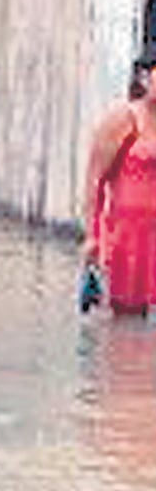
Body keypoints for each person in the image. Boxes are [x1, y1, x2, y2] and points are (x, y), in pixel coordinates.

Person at [81, 52, 156, 315]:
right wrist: (92, 237)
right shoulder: (123, 118)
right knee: (124, 318)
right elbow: (95, 179)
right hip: (127, 238)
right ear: (145, 78)